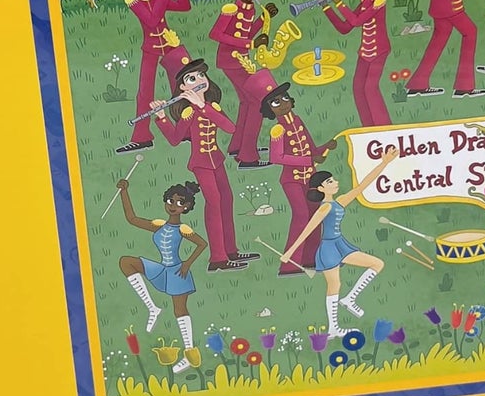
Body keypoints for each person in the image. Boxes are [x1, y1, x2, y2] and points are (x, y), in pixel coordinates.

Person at [283, 147, 399, 338]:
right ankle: (333, 328)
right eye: (329, 181)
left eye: (333, 179)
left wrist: (384, 163)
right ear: (321, 189)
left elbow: (362, 185)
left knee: (377, 264)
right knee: (334, 285)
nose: (335, 182)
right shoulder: (324, 208)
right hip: (329, 249)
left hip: (340, 244)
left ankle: (350, 298)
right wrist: (290, 252)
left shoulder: (340, 201)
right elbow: (309, 229)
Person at [152, 59, 254, 270]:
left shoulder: (212, 107)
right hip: (201, 164)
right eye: (192, 78)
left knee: (226, 200)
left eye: (201, 75)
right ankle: (218, 258)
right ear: (183, 88)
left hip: (216, 160)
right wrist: (161, 117)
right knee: (214, 202)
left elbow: (230, 128)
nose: (199, 80)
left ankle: (231, 251)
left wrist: (202, 105)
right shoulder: (188, 113)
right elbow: (175, 139)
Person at [102, 0, 192, 154]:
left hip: (170, 43)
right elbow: (152, 20)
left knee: (183, 85)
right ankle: (142, 137)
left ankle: (188, 129)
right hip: (151, 47)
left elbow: (184, 6)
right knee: (145, 93)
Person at [117, 179, 207, 374]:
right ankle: (152, 308)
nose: (173, 206)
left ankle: (190, 354)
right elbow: (132, 218)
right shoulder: (159, 225)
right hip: (161, 269)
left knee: (180, 310)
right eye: (170, 201)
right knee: (126, 262)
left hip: (177, 271)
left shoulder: (183, 229)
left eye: (179, 203)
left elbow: (202, 244)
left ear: (186, 207)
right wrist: (124, 191)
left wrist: (187, 263)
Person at [208, 0, 283, 167]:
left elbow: (246, 31)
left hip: (240, 60)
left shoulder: (249, 8)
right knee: (258, 103)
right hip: (232, 61)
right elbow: (216, 34)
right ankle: (248, 156)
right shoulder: (231, 8)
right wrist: (250, 44)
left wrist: (263, 19)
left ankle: (238, 146)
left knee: (247, 102)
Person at [260, 78, 336, 276]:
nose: (283, 104)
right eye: (275, 102)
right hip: (292, 180)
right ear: (270, 110)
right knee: (301, 216)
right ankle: (290, 264)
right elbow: (276, 157)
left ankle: (310, 259)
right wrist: (308, 159)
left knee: (315, 215)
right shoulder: (278, 129)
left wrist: (325, 147)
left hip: (310, 179)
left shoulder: (298, 121)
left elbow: (311, 148)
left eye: (285, 98)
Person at [323, 0, 396, 124]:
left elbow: (357, 21)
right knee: (357, 89)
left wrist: (339, 4)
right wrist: (326, 8)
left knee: (370, 88)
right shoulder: (364, 0)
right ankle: (368, 127)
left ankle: (384, 127)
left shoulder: (379, 0)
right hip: (365, 52)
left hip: (379, 51)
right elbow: (346, 28)